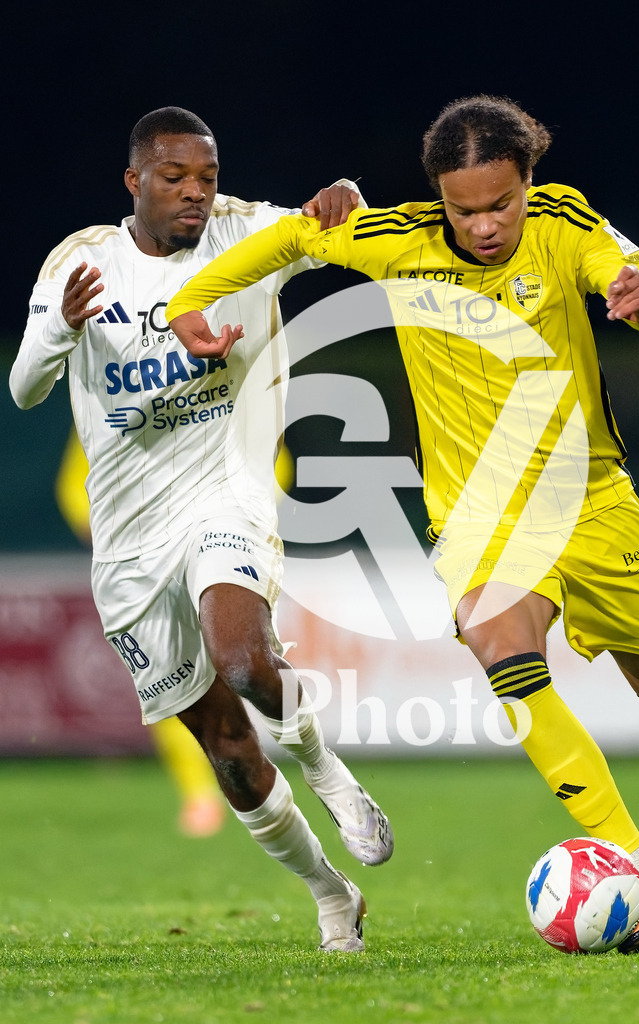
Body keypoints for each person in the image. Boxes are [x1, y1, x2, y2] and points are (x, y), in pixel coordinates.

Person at [165, 95, 639, 954]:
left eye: (501, 205)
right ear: (439, 196)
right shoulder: (398, 241)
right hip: (478, 519)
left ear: (527, 182)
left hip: (593, 502)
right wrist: (191, 305)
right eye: (465, 210)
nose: (485, 225)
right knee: (497, 643)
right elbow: (287, 241)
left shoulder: (569, 225)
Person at [10, 106, 393, 953]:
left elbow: (340, 230)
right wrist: (59, 329)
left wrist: (348, 194)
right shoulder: (81, 264)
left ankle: (328, 771)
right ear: (134, 181)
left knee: (244, 659)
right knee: (226, 747)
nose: (195, 193)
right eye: (176, 178)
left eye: (207, 178)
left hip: (228, 493)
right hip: (129, 540)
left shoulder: (245, 234)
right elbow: (26, 388)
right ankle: (332, 894)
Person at [56, 425, 226, 838]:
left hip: (220, 546)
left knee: (238, 666)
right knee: (169, 675)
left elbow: (273, 459)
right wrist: (103, 530)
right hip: (141, 562)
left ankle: (280, 778)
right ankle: (201, 794)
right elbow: (74, 484)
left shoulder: (222, 380)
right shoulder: (108, 396)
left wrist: (244, 517)